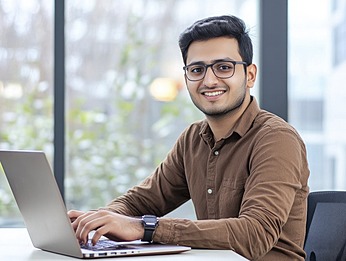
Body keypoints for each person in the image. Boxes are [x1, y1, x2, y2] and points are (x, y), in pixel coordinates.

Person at [68, 15, 310, 260]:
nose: (209, 80)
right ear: (186, 78)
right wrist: (98, 221)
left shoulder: (276, 139)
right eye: (197, 70)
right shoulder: (193, 139)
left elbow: (254, 234)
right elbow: (141, 201)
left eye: (224, 67)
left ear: (250, 75)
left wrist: (145, 228)